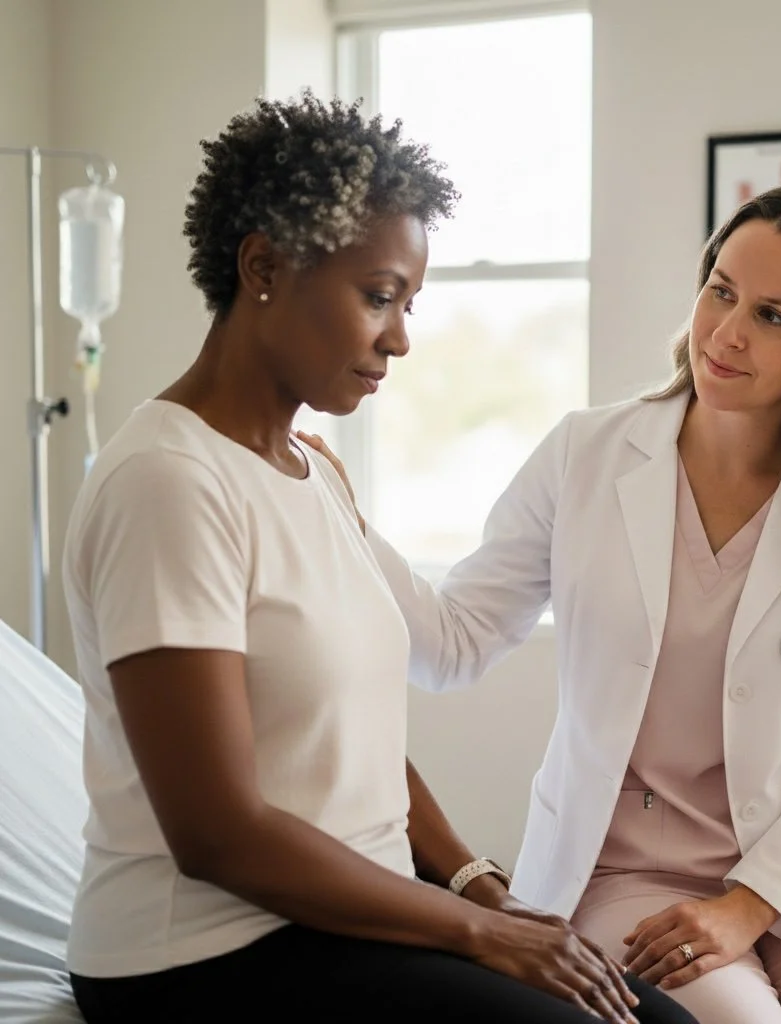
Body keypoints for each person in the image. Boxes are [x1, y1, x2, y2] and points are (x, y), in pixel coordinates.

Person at [60, 92, 700, 1024]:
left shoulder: (311, 477)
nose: (399, 337)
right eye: (379, 296)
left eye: (408, 302)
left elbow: (351, 748)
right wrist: (475, 934)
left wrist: (481, 886)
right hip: (199, 954)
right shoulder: (168, 482)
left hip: (340, 917)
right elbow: (216, 835)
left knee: (661, 1022)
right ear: (264, 267)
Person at [305, 185, 781, 1023]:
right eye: (720, 290)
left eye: (772, 316)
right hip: (627, 873)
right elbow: (451, 644)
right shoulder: (587, 455)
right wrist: (344, 519)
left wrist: (750, 906)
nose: (725, 333)